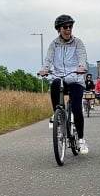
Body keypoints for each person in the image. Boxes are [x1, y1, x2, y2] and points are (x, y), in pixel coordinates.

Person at [39, 14, 89, 154]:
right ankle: (57, 113)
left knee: (76, 108)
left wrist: (81, 67)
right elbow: (48, 59)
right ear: (59, 29)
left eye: (70, 27)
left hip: (76, 79)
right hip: (60, 76)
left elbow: (82, 57)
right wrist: (44, 69)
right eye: (65, 27)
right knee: (55, 84)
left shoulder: (78, 43)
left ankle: (81, 139)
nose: (68, 29)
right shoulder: (54, 44)